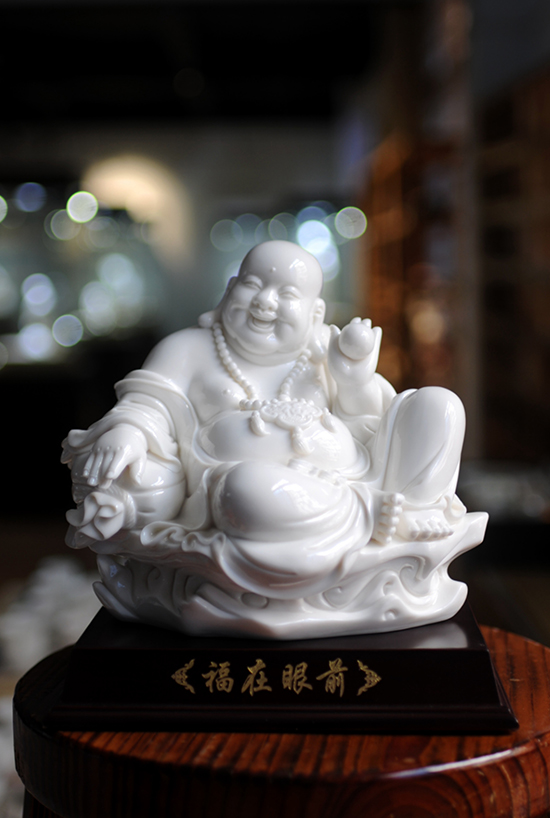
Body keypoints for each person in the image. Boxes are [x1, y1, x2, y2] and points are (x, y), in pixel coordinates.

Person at [62, 241, 486, 638]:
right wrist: (129, 431)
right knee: (247, 489)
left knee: (439, 405)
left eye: (287, 295)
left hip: (356, 475)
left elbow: (371, 424)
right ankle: (376, 517)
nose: (265, 301)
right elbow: (149, 401)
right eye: (252, 284)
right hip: (250, 497)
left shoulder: (326, 347)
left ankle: (410, 511)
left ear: (315, 312)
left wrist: (353, 378)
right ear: (230, 289)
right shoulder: (189, 348)